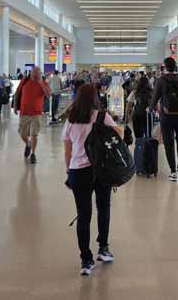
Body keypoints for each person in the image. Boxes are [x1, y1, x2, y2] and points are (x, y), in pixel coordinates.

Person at [63, 84, 123, 276]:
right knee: (103, 208)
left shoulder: (71, 119)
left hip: (78, 171)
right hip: (101, 170)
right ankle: (103, 249)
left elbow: (67, 150)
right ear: (95, 97)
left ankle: (86, 260)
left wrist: (68, 172)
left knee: (83, 215)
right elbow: (119, 135)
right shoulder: (101, 116)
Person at [150, 57, 178, 182]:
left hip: (166, 117)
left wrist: (150, 109)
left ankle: (173, 172)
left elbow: (154, 98)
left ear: (165, 67)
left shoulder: (161, 81)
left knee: (169, 143)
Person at [15, 66, 51, 165]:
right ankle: (28, 144)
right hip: (24, 112)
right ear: (31, 73)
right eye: (33, 74)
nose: (35, 76)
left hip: (37, 113)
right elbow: (17, 93)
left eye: (37, 74)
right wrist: (15, 106)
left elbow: (48, 95)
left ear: (40, 74)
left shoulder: (43, 82)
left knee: (34, 134)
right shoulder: (24, 80)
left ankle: (33, 154)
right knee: (23, 134)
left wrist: (41, 84)